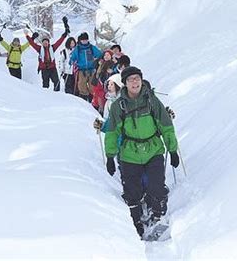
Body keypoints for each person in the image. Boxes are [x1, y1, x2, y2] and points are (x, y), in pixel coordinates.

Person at [104, 66, 179, 239]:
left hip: (153, 150)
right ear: (124, 83)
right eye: (130, 79)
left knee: (157, 186)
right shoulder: (118, 106)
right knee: (132, 191)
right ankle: (136, 222)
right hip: (129, 154)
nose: (135, 82)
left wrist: (172, 149)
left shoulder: (152, 101)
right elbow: (112, 133)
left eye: (137, 78)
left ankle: (158, 217)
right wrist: (110, 156)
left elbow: (166, 126)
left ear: (141, 80)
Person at [69, 32, 102, 101]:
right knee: (81, 85)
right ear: (80, 40)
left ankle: (92, 98)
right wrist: (71, 61)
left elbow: (99, 54)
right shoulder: (77, 48)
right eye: (83, 40)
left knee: (92, 85)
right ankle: (83, 98)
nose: (84, 41)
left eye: (86, 40)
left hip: (91, 69)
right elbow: (73, 56)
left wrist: (99, 59)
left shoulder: (91, 47)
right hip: (81, 69)